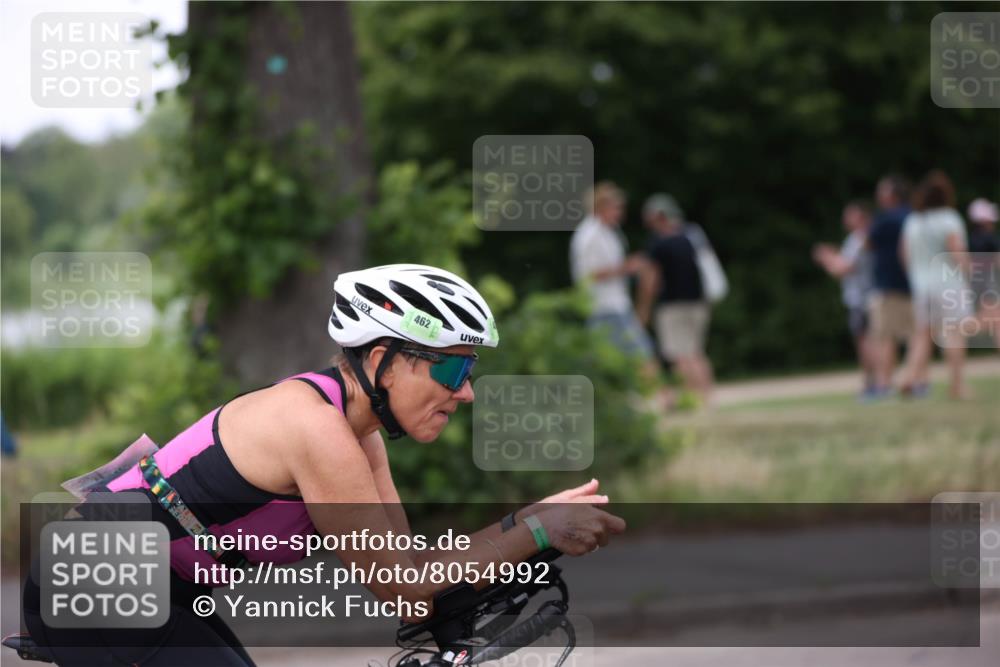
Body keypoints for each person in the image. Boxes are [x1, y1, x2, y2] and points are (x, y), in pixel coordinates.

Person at [22, 264, 626, 665]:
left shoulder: (360, 436)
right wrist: (537, 529)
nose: (466, 392)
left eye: (470, 372)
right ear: (386, 359)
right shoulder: (318, 431)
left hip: (158, 582)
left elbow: (408, 579)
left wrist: (528, 521)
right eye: (452, 369)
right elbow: (404, 586)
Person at [900, 171, 972, 399]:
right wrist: (972, 276)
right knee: (953, 333)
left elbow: (903, 254)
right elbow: (957, 252)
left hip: (921, 285)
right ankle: (957, 386)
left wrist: (915, 276)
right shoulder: (949, 218)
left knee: (922, 335)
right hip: (948, 283)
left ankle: (909, 377)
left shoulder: (913, 221)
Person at [638, 194, 715, 404]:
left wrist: (643, 308)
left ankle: (692, 400)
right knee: (697, 353)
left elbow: (650, 280)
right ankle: (708, 399)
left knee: (680, 355)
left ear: (658, 217)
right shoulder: (690, 236)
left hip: (672, 306)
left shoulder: (658, 244)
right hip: (699, 303)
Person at [569, 182, 656, 364]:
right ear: (601, 207)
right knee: (642, 354)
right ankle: (660, 391)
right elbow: (589, 274)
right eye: (616, 207)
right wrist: (627, 267)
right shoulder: (590, 235)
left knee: (614, 359)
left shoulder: (610, 232)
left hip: (615, 303)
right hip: (604, 305)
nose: (620, 212)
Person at [813, 200, 877, 399]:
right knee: (869, 340)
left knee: (865, 341)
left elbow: (844, 268)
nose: (845, 219)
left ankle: (873, 383)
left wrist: (825, 258)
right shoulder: (858, 238)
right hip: (864, 298)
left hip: (862, 299)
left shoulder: (860, 238)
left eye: (849, 215)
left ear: (860, 217)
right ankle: (875, 382)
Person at [866, 174, 914, 398]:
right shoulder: (914, 216)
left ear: (892, 195)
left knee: (885, 337)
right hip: (915, 286)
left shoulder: (885, 220)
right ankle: (917, 381)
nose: (878, 196)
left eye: (882, 191)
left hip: (888, 286)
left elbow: (867, 243)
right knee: (916, 337)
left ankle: (884, 385)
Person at [967, 198, 1000, 348]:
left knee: (993, 319)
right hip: (988, 281)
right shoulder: (989, 239)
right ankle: (957, 331)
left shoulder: (970, 238)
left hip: (975, 281)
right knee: (995, 319)